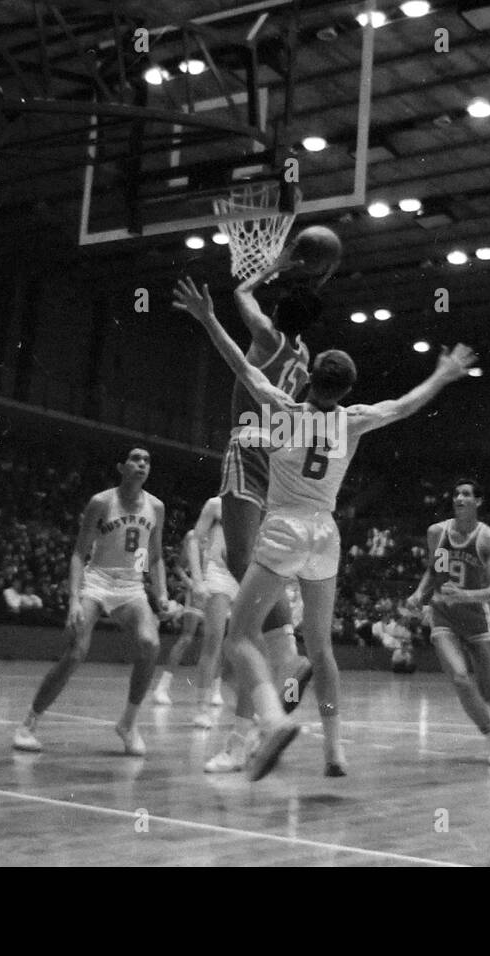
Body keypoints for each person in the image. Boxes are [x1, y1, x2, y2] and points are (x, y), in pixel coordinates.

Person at [172, 275, 478, 780]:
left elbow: (241, 365)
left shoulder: (287, 411)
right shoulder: (353, 420)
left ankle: (271, 720)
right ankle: (335, 750)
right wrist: (442, 375)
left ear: (309, 377)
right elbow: (402, 406)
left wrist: (207, 318)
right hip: (326, 537)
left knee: (239, 636)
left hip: (286, 529)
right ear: (347, 388)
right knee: (321, 649)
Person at [203, 249, 323, 772]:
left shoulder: (270, 339)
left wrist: (275, 266)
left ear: (277, 317)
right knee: (254, 563)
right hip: (277, 459)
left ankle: (283, 657)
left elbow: (240, 295)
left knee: (240, 565)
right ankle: (287, 655)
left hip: (247, 449)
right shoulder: (305, 353)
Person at [12, 448, 171, 757]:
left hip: (132, 586)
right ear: (121, 467)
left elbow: (156, 556)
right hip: (96, 581)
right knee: (76, 652)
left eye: (147, 461)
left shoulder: (157, 507)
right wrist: (74, 600)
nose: (142, 464)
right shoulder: (101, 502)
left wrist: (161, 592)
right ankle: (28, 724)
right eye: (135, 459)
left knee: (150, 644)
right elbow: (78, 553)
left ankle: (128, 724)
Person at [407, 479, 490, 765]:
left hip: (477, 617)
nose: (460, 498)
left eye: (466, 494)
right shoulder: (436, 532)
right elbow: (434, 569)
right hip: (443, 616)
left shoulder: (489, 539)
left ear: (478, 502)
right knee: (461, 679)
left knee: (489, 691)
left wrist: (463, 595)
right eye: (456, 493)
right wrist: (419, 593)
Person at [150, 527, 223, 726]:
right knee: (187, 638)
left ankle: (216, 692)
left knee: (217, 641)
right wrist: (192, 583)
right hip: (199, 593)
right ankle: (162, 688)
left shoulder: (225, 533)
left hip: (220, 591)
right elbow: (179, 567)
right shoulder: (192, 536)